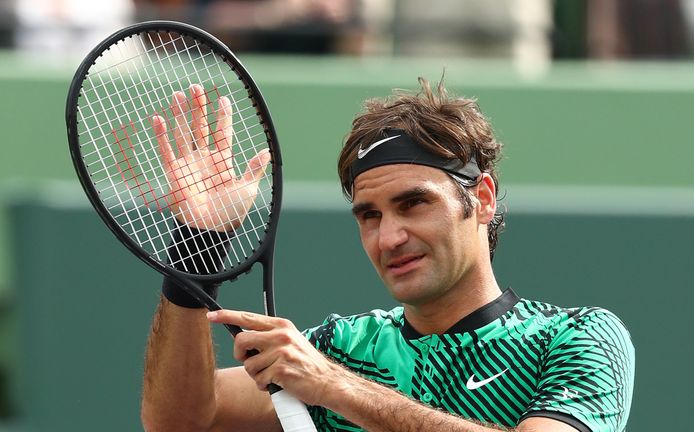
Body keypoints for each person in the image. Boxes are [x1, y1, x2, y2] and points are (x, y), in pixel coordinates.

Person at [141, 78, 635, 432]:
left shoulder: (579, 337)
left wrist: (335, 388)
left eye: (413, 203)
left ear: (481, 199)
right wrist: (197, 246)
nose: (389, 237)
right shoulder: (339, 347)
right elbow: (180, 420)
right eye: (369, 215)